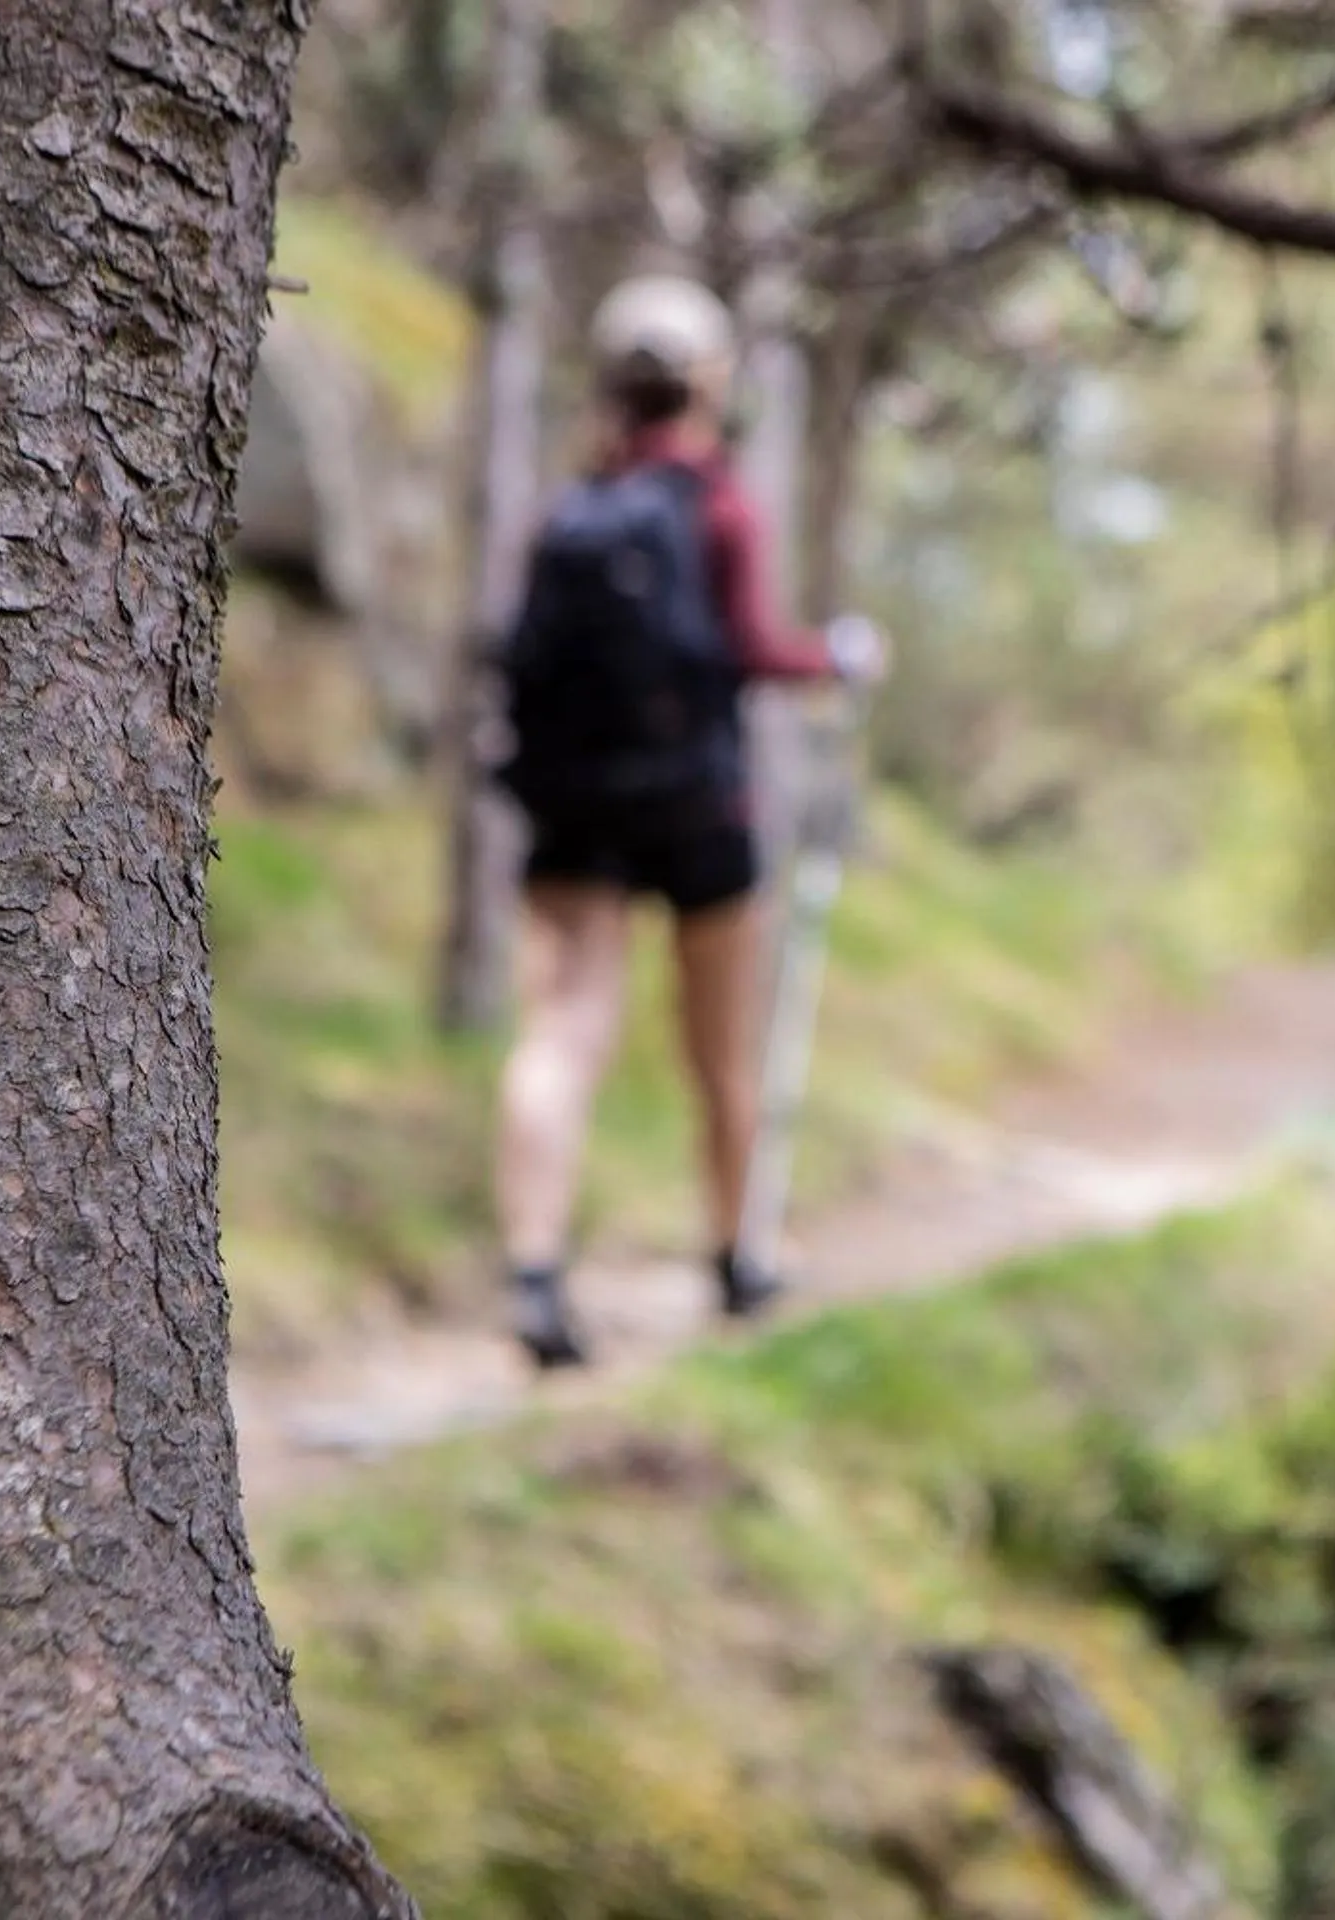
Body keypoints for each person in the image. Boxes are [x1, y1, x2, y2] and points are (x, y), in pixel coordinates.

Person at [489, 274, 885, 1370]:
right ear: (709, 383)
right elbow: (760, 647)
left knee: (562, 1033)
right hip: (696, 803)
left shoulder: (568, 515)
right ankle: (733, 1260)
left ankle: (534, 1273)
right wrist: (840, 656)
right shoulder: (716, 504)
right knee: (720, 1049)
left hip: (574, 809)